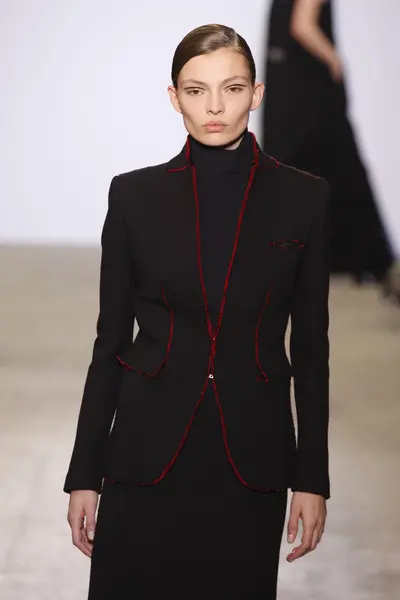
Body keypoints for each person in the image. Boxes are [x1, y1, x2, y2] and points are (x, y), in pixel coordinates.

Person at [64, 23, 330, 599]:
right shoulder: (134, 197)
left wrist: (311, 478)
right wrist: (84, 473)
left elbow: (311, 352)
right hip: (143, 452)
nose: (214, 107)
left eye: (232, 89)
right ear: (173, 97)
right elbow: (109, 343)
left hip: (251, 461)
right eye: (195, 90)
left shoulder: (304, 199)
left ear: (256, 94)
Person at [262, 0, 400, 304]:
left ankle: (269, 270)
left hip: (286, 90)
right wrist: (335, 59)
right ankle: (371, 263)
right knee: (340, 169)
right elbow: (303, 25)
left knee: (287, 174)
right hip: (309, 88)